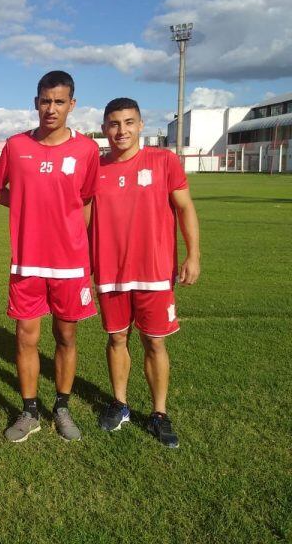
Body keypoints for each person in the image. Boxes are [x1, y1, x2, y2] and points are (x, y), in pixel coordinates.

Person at [0, 70, 99, 442]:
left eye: (59, 101)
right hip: (27, 261)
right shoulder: (16, 145)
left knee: (66, 336)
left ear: (72, 104)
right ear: (35, 102)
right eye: (45, 100)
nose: (51, 108)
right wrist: (20, 204)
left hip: (70, 263)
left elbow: (85, 200)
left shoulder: (86, 150)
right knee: (26, 337)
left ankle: (63, 407)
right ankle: (30, 411)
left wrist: (82, 248)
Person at [92, 97, 200, 448]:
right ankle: (120, 404)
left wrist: (193, 255)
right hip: (110, 272)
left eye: (127, 122)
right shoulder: (96, 168)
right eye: (113, 124)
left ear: (140, 125)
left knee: (155, 341)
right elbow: (79, 217)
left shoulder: (163, 161)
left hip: (154, 271)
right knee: (116, 339)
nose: (120, 131)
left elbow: (185, 208)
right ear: (105, 128)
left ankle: (158, 413)